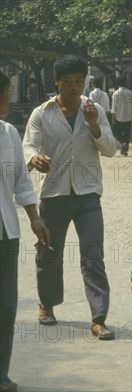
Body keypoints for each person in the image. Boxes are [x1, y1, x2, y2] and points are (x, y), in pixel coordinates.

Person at [22, 55, 119, 341]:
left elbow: (111, 149)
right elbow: (28, 144)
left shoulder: (95, 110)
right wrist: (34, 158)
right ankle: (47, 304)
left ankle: (99, 318)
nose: (74, 88)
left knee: (93, 254)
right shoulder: (42, 113)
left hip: (88, 194)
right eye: (68, 82)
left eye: (79, 81)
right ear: (57, 83)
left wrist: (94, 125)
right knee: (49, 253)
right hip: (54, 193)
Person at [0, 70, 51, 392]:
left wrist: (34, 218)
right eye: (7, 92)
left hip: (7, 232)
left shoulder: (8, 134)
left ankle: (1, 373)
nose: (7, 99)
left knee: (5, 306)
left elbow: (20, 180)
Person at [111, 76, 132, 155]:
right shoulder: (130, 93)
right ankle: (125, 149)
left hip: (119, 116)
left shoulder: (116, 93)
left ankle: (122, 143)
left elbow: (114, 106)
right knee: (127, 133)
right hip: (128, 116)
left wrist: (113, 116)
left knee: (117, 133)